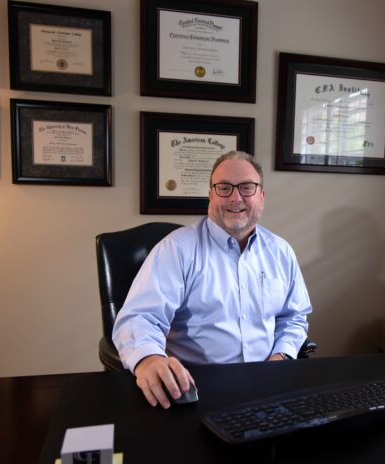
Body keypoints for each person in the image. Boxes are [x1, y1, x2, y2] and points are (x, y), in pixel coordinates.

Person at [112, 151, 312, 408]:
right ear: (211, 195)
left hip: (269, 386)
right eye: (224, 188)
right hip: (194, 390)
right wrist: (149, 359)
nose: (235, 197)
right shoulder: (177, 249)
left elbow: (293, 317)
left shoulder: (280, 251)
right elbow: (140, 317)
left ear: (261, 196)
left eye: (247, 187)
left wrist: (281, 356)